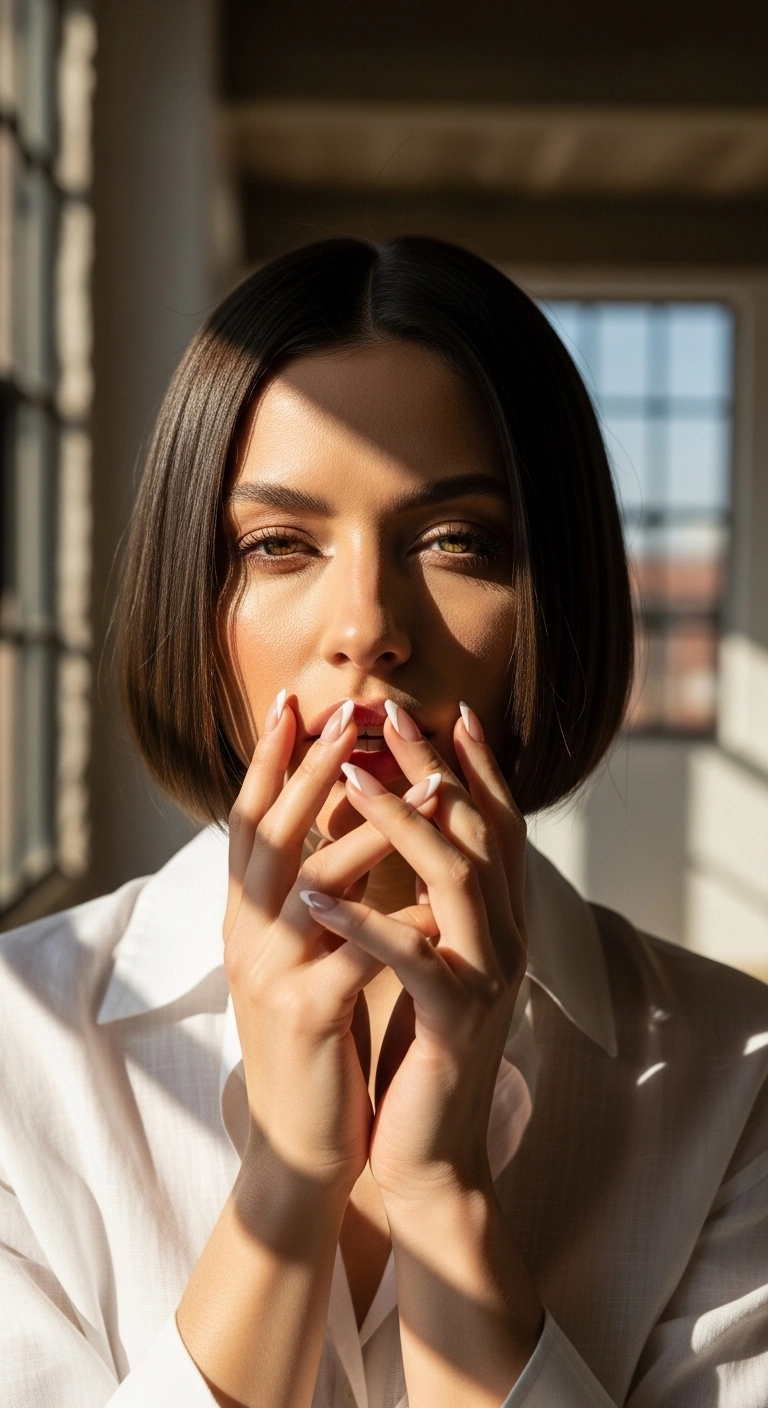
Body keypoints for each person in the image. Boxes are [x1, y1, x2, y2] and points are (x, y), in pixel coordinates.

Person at [1, 236, 767, 1408]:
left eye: (456, 540)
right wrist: (286, 1186)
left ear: (552, 592)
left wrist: (446, 1196)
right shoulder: (19, 1045)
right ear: (195, 601)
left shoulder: (736, 1081)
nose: (368, 626)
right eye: (279, 545)